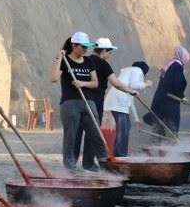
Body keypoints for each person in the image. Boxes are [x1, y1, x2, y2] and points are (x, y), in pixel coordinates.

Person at [75, 37, 139, 168]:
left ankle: (71, 164)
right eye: (109, 52)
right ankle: (88, 164)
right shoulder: (103, 64)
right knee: (93, 133)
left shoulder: (84, 60)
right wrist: (130, 90)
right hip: (95, 101)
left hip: (79, 100)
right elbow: (115, 83)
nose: (109, 56)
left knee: (77, 132)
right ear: (103, 50)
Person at [48, 32, 106, 171]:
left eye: (87, 47)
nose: (86, 50)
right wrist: (58, 59)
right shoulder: (65, 61)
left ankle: (106, 165)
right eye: (83, 46)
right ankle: (70, 168)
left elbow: (95, 83)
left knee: (96, 134)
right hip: (70, 102)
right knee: (71, 137)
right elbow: (54, 78)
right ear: (74, 46)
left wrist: (82, 83)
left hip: (88, 101)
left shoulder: (88, 61)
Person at [104, 61, 151, 156]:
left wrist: (136, 119)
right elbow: (135, 85)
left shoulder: (128, 74)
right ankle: (120, 155)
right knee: (123, 130)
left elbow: (131, 102)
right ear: (144, 71)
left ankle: (119, 154)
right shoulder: (137, 70)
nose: (145, 76)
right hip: (118, 103)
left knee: (126, 127)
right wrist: (147, 85)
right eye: (146, 74)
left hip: (116, 103)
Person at [149, 46, 190, 137]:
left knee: (159, 132)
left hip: (160, 102)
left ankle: (157, 150)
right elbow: (176, 84)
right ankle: (169, 149)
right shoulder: (177, 66)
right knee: (171, 130)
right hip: (169, 105)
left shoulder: (169, 65)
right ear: (183, 56)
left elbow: (165, 83)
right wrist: (182, 97)